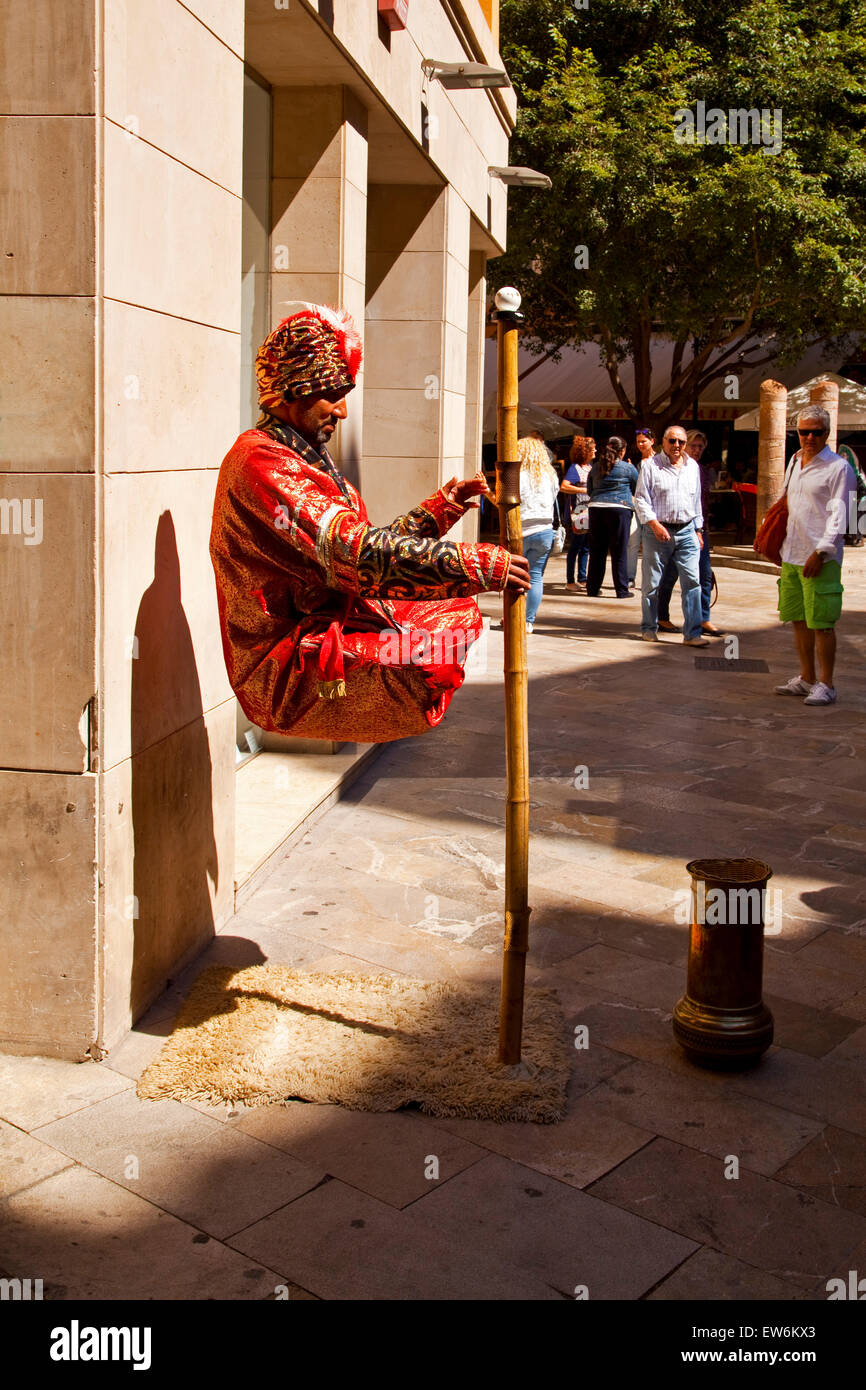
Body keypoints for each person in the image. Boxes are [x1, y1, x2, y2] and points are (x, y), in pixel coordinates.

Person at [209, 303, 530, 742]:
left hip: (332, 624)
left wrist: (441, 508)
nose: (342, 412)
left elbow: (363, 549)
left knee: (452, 618)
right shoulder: (260, 460)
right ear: (294, 389)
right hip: (285, 662)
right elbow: (356, 556)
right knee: (427, 652)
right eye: (331, 394)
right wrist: (473, 565)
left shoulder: (304, 457)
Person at [774, 405, 857, 706]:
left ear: (828, 433)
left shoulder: (839, 468)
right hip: (791, 553)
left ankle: (827, 683)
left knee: (822, 622)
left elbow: (841, 515)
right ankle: (806, 677)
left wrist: (821, 552)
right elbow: (786, 502)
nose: (809, 437)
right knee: (798, 619)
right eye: (803, 431)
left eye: (816, 432)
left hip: (819, 557)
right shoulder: (795, 461)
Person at [634, 424, 708, 645]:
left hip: (687, 530)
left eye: (681, 442)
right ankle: (649, 627)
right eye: (672, 441)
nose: (677, 446)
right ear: (663, 442)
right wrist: (655, 525)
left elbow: (696, 501)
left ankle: (693, 634)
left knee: (693, 582)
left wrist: (698, 529)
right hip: (657, 531)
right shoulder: (650, 466)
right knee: (652, 584)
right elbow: (640, 499)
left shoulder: (692, 466)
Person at [656, 429, 722, 636]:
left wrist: (701, 529)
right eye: (693, 445)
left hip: (699, 528)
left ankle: (703, 619)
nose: (697, 450)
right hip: (673, 528)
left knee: (703, 576)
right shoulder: (669, 467)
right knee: (670, 575)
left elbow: (700, 502)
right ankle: (662, 617)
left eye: (700, 447)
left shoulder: (699, 469)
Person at [585, 436, 638, 599]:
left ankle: (592, 589)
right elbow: (636, 488)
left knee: (596, 551)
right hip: (620, 509)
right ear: (622, 451)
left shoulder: (595, 467)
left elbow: (589, 489)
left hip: (596, 509)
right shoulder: (628, 468)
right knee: (619, 551)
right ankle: (621, 590)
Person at [518, 434, 561, 632]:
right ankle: (528, 621)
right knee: (535, 577)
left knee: (515, 577)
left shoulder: (518, 474)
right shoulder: (551, 475)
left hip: (521, 529)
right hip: (544, 530)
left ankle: (513, 618)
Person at [560, 435, 595, 591]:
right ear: (585, 451)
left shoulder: (591, 467)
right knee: (576, 546)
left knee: (586, 546)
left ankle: (582, 578)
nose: (595, 450)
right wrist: (583, 489)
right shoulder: (575, 468)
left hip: (590, 510)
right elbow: (564, 486)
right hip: (580, 511)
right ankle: (570, 580)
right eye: (592, 448)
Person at [628, 427, 655, 586]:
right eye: (638, 442)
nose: (640, 444)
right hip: (636, 506)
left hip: (653, 508)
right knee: (633, 540)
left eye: (643, 441)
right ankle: (630, 577)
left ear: (652, 441)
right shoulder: (635, 462)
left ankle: (652, 577)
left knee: (652, 544)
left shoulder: (659, 461)